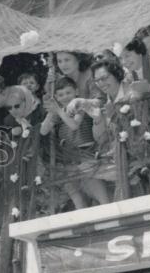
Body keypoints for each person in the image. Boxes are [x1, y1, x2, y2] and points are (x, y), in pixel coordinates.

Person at [40, 77, 110, 209]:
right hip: (69, 160)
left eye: (68, 93)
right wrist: (51, 112)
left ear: (76, 92)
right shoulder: (59, 113)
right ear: (56, 97)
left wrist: (59, 111)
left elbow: (74, 125)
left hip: (86, 153)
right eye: (60, 95)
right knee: (77, 199)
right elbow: (43, 131)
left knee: (101, 196)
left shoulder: (79, 107)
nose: (65, 97)